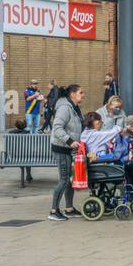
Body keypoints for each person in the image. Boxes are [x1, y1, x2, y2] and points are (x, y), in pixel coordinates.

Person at [48, 84, 84, 221]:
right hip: (62, 148)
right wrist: (69, 141)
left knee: (69, 180)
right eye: (81, 92)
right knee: (63, 180)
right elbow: (57, 128)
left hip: (69, 149)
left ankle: (69, 209)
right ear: (72, 94)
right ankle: (53, 210)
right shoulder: (64, 108)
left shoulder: (74, 107)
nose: (83, 94)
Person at [7, 118, 34, 184]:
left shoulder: (11, 133)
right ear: (25, 125)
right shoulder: (28, 133)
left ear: (16, 125)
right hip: (27, 154)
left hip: (15, 155)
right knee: (27, 157)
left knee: (23, 158)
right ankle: (28, 176)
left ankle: (26, 175)